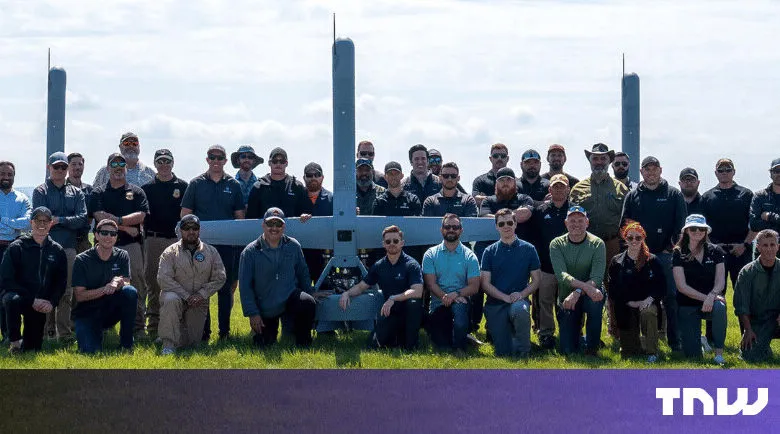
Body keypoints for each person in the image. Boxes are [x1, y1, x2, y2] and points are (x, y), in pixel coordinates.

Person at [620, 156, 687, 350]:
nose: (651, 173)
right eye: (647, 169)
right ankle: (636, 342)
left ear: (661, 170)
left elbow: (681, 225)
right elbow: (625, 224)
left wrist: (670, 247)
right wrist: (634, 247)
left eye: (654, 169)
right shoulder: (633, 195)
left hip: (666, 254)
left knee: (671, 298)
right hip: (639, 255)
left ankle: (675, 342)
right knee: (637, 297)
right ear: (641, 172)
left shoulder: (673, 194)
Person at [181, 144, 245, 340]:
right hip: (202, 246)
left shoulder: (234, 185)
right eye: (212, 157)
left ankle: (224, 333)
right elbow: (185, 215)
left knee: (225, 289)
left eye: (220, 158)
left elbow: (240, 218)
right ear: (207, 159)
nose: (216, 161)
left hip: (227, 247)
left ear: (226, 161)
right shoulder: (196, 184)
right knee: (203, 288)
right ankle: (204, 332)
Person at [90, 152, 150, 338]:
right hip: (104, 247)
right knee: (103, 285)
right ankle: (105, 326)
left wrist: (116, 219)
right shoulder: (98, 192)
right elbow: (99, 216)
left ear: (126, 168)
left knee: (137, 285)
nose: (118, 167)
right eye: (113, 164)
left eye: (121, 164)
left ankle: (138, 327)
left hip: (132, 246)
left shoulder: (137, 191)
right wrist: (125, 227)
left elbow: (141, 216)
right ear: (107, 168)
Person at [239, 208, 316, 347]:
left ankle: (303, 342)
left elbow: (302, 272)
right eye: (270, 224)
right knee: (265, 345)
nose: (274, 228)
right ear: (263, 225)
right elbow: (245, 287)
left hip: (289, 298)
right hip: (266, 306)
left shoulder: (293, 245)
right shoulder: (250, 252)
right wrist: (253, 313)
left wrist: (310, 293)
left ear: (284, 226)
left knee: (308, 303)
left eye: (278, 224)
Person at [32, 151, 88, 341]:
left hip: (68, 247)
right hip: (45, 247)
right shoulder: (40, 191)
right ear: (49, 168)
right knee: (45, 288)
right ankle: (44, 330)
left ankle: (64, 333)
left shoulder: (76, 192)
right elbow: (41, 219)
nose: (60, 170)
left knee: (66, 290)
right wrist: (55, 220)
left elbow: (81, 219)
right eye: (56, 166)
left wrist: (59, 219)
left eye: (63, 167)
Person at [339, 225, 424, 349]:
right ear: (383, 244)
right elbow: (362, 286)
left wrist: (394, 298)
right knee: (374, 344)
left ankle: (412, 344)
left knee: (414, 302)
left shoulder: (411, 264)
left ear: (402, 243)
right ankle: (396, 338)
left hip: (410, 312)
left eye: (395, 241)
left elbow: (417, 291)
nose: (392, 244)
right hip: (391, 312)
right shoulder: (379, 266)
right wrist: (347, 293)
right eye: (388, 241)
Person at [474, 167, 534, 338]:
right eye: (502, 180)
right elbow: (484, 217)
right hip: (492, 251)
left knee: (518, 288)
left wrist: (500, 217)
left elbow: (525, 214)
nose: (505, 183)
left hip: (518, 252)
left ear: (515, 183)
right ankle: (481, 326)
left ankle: (520, 326)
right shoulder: (488, 201)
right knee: (484, 286)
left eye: (509, 179)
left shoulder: (524, 198)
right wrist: (511, 216)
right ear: (496, 184)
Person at [157, 215, 226, 355]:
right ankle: (168, 344)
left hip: (198, 301)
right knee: (171, 299)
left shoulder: (211, 252)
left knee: (191, 343)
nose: (191, 231)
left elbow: (220, 277)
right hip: (177, 297)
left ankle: (169, 333)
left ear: (199, 230)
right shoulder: (170, 252)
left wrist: (202, 294)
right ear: (180, 231)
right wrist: (186, 296)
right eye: (186, 228)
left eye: (194, 228)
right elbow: (163, 279)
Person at [1, 207, 67, 353]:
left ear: (51, 224)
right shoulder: (16, 247)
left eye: (45, 220)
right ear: (31, 222)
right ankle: (14, 341)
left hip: (41, 302)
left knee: (33, 348)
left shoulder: (57, 250)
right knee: (11, 299)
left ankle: (28, 342)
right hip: (20, 297)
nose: (41, 224)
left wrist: (52, 302)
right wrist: (31, 299)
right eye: (38, 220)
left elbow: (61, 282)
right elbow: (6, 280)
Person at [480, 208, 541, 357]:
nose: (506, 226)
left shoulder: (529, 249)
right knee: (503, 352)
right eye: (501, 224)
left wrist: (521, 294)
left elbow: (537, 280)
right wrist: (504, 297)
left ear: (515, 224)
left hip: (519, 301)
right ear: (496, 227)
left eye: (509, 222)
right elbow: (485, 284)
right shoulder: (489, 252)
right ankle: (510, 337)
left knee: (520, 310)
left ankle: (524, 351)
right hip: (496, 304)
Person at [71, 219, 138, 353]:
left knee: (130, 292)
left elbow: (126, 282)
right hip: (87, 312)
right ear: (96, 235)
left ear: (116, 237)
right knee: (90, 352)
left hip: (110, 310)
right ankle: (93, 333)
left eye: (113, 234)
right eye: (104, 233)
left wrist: (117, 283)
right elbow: (80, 296)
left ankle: (126, 345)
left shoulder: (122, 255)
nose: (109, 237)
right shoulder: (81, 259)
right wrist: (105, 289)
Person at [141, 149, 188, 339]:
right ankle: (153, 328)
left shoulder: (183, 186)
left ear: (173, 162)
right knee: (153, 284)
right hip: (153, 240)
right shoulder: (147, 189)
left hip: (177, 241)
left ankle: (177, 327)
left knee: (178, 284)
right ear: (155, 164)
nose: (164, 165)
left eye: (167, 161)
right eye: (160, 161)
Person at [549, 206, 606, 356]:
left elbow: (597, 277)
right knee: (567, 350)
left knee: (594, 302)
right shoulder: (556, 244)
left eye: (580, 220)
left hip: (592, 292)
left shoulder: (597, 243)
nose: (576, 224)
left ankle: (593, 347)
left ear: (587, 222)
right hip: (567, 295)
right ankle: (579, 340)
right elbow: (562, 275)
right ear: (565, 223)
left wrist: (579, 291)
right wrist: (576, 291)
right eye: (572, 220)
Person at [672, 214, 727, 364]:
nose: (698, 231)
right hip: (687, 304)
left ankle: (719, 353)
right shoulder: (678, 252)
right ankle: (699, 342)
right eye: (693, 228)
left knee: (720, 307)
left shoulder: (716, 251)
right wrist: (707, 298)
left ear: (706, 231)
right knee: (693, 356)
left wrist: (713, 295)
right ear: (687, 231)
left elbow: (720, 281)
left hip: (712, 301)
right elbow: (681, 287)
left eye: (701, 229)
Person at [423, 214, 481, 354]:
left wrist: (456, 295)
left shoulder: (470, 256)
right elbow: (431, 284)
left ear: (461, 230)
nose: (451, 229)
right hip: (438, 304)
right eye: (447, 226)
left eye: (455, 227)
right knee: (441, 344)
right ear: (441, 229)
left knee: (460, 318)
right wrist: (446, 297)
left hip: (461, 301)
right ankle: (462, 336)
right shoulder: (430, 254)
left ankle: (460, 348)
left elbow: (474, 286)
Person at [607, 222, 665, 362]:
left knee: (648, 312)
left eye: (638, 238)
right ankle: (634, 344)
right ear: (625, 239)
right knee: (630, 353)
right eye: (630, 237)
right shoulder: (617, 261)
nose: (634, 241)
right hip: (626, 305)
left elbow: (661, 286)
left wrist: (649, 299)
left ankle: (652, 351)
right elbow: (613, 289)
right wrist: (628, 302)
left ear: (643, 238)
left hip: (647, 303)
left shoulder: (652, 260)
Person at [701, 158, 755, 295]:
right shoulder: (707, 197)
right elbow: (701, 227)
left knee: (745, 295)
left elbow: (755, 224)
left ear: (734, 172)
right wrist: (712, 247)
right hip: (716, 252)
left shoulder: (747, 194)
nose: (724, 172)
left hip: (741, 251)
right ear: (716, 173)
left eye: (728, 169)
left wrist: (744, 245)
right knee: (715, 295)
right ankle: (717, 317)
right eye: (721, 170)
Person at [529, 174, 570, 349]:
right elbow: (534, 237)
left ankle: (570, 332)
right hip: (545, 266)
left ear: (568, 190)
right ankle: (546, 334)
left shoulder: (575, 211)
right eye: (556, 186)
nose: (559, 189)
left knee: (567, 302)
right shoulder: (541, 211)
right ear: (550, 189)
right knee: (544, 302)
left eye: (563, 187)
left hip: (569, 267)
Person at [734, 229, 780, 362]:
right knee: (750, 356)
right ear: (758, 247)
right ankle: (762, 346)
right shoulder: (747, 272)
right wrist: (748, 330)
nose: (769, 249)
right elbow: (741, 305)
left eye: (772, 245)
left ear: (778, 246)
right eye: (765, 245)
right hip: (757, 321)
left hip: (777, 318)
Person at [0, 160, 31, 342]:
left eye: (9, 174)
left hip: (13, 248)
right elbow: (19, 222)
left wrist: (4, 221)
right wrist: (13, 222)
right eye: (2, 174)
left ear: (14, 176)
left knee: (9, 293)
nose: (6, 177)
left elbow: (27, 222)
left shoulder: (22, 198)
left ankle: (9, 335)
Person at [246, 147, 312, 221]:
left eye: (282, 161)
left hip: (291, 232)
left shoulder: (296, 186)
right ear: (269, 163)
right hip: (266, 231)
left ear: (286, 163)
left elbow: (307, 212)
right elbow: (251, 218)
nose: (278, 164)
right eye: (275, 161)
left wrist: (305, 216)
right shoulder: (258, 187)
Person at [302, 162, 333, 280]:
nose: (313, 178)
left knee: (325, 292)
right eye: (309, 175)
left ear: (322, 177)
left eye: (317, 174)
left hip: (325, 255)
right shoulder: (297, 198)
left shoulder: (333, 199)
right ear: (304, 178)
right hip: (302, 254)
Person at [66, 152, 94, 253]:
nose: (77, 167)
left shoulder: (89, 190)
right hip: (65, 241)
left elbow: (90, 216)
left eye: (80, 164)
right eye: (74, 164)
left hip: (83, 241)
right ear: (67, 166)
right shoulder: (61, 188)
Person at [749, 158, 780, 246]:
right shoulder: (760, 196)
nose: (779, 174)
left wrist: (770, 216)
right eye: (776, 171)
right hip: (765, 250)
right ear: (771, 174)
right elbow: (754, 225)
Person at [472, 143, 511, 209]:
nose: (499, 158)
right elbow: (475, 200)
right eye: (496, 156)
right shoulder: (480, 181)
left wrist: (486, 198)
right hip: (487, 217)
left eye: (503, 156)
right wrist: (505, 198)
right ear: (490, 159)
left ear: (507, 158)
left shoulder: (515, 181)